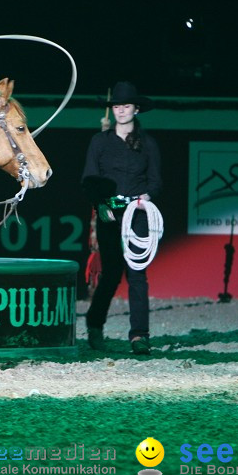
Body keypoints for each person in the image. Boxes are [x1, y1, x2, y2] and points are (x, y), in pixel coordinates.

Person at [81, 81, 162, 355]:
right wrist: (100, 205)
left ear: (136, 109)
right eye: (117, 106)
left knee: (138, 274)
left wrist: (145, 200)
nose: (121, 110)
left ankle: (139, 336)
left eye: (126, 106)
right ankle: (94, 325)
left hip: (138, 216)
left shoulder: (148, 144)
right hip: (110, 215)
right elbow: (89, 179)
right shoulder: (99, 142)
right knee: (113, 272)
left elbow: (156, 182)